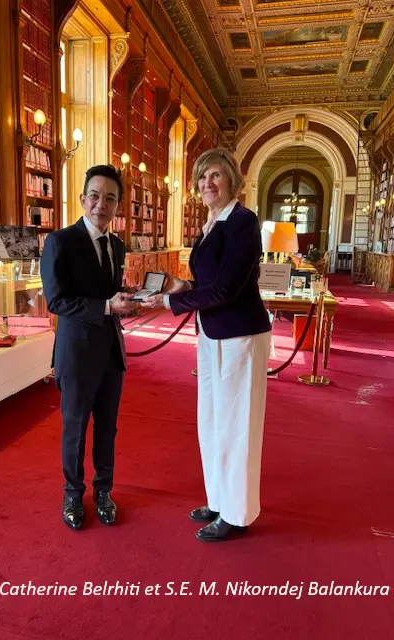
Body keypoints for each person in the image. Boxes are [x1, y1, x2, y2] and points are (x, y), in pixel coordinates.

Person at [141, 148, 271, 542]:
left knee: (237, 425)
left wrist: (169, 303)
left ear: (232, 179)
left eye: (215, 174)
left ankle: (238, 513)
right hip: (212, 332)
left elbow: (229, 288)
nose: (207, 183)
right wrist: (183, 287)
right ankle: (218, 499)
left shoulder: (243, 221)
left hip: (240, 335)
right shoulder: (210, 225)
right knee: (212, 421)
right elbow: (211, 284)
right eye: (201, 177)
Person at [41, 165, 138, 531]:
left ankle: (103, 491)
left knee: (107, 427)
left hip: (111, 350)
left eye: (110, 198)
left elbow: (107, 292)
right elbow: (56, 301)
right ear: (83, 199)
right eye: (95, 196)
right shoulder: (60, 242)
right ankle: (72, 494)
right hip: (77, 353)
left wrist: (127, 298)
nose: (101, 204)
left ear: (118, 206)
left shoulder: (117, 245)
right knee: (75, 427)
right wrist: (107, 306)